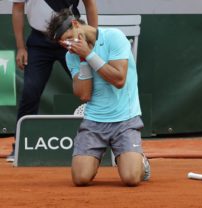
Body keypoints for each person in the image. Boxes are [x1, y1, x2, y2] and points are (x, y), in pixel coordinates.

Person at [46, 9, 151, 186]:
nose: (67, 45)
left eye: (68, 38)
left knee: (131, 179)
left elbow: (119, 80)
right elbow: (84, 95)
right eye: (63, 44)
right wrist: (82, 59)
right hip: (94, 121)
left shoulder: (114, 37)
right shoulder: (72, 56)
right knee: (80, 179)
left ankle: (140, 162)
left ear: (75, 25)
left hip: (125, 119)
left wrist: (89, 54)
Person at [6, 0, 98, 162]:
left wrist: (93, 42)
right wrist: (21, 47)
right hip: (38, 43)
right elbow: (18, 9)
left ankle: (105, 140)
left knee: (92, 88)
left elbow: (90, 5)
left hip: (71, 36)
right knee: (30, 91)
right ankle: (21, 145)